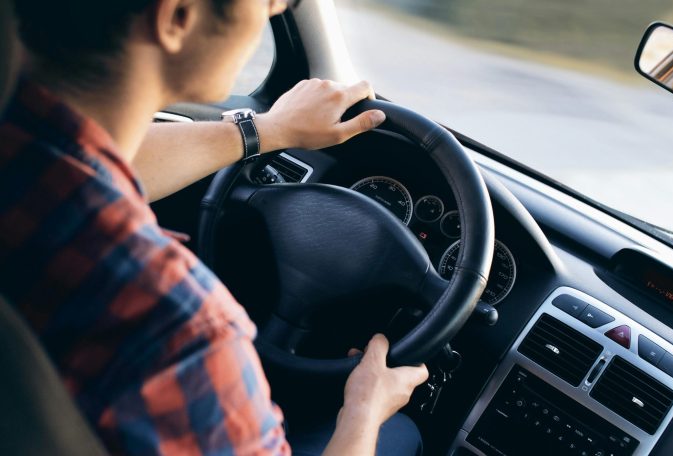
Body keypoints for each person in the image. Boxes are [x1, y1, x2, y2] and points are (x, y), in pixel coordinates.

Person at [0, 0, 429, 455]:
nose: (277, 7)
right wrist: (363, 409)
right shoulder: (180, 332)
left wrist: (267, 130)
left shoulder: (24, 156)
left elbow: (95, 160)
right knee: (400, 435)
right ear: (176, 16)